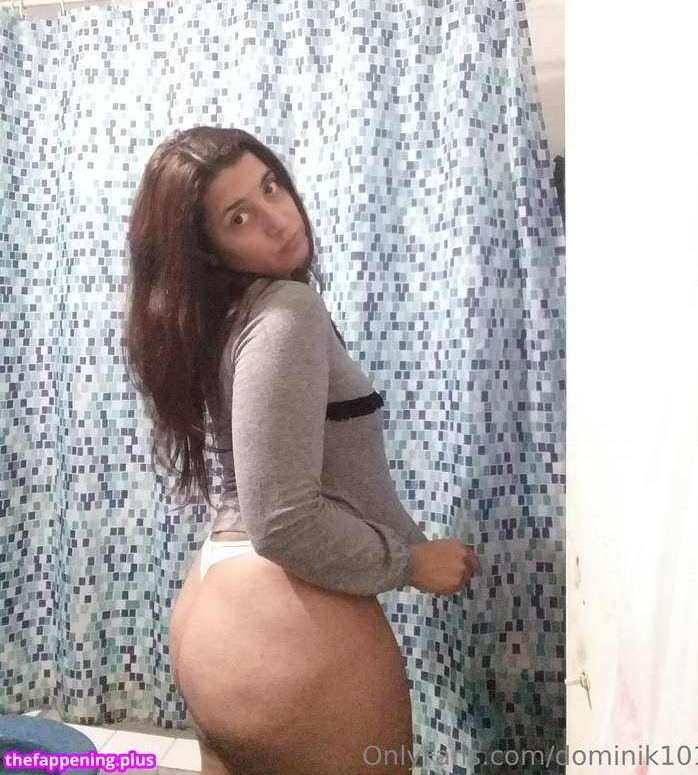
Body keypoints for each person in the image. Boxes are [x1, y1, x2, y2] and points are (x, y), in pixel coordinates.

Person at [124, 126, 481, 775]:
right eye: (239, 218)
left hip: (218, 614)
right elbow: (284, 521)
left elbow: (323, 475)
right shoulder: (286, 310)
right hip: (282, 630)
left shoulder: (224, 316)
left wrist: (411, 544)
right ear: (208, 251)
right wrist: (407, 562)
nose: (278, 218)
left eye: (271, 187)